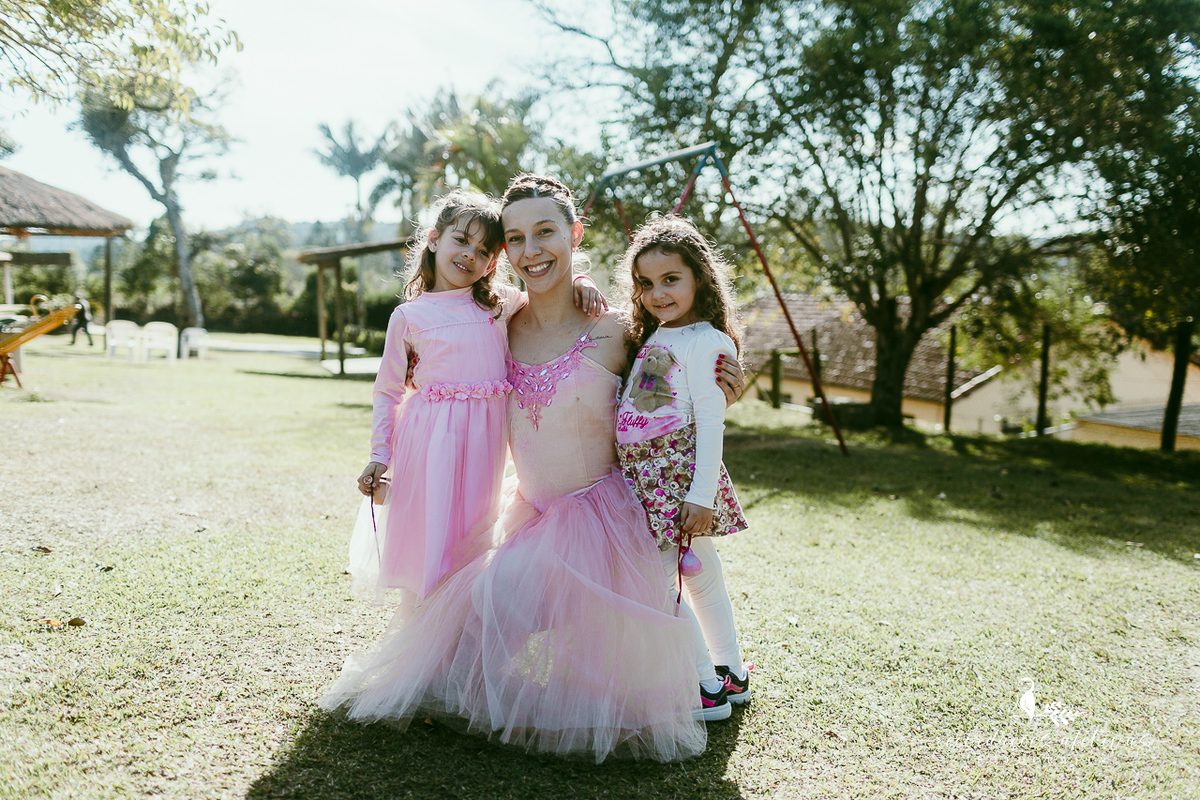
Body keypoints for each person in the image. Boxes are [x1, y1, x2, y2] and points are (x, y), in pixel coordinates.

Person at [321, 176, 743, 761]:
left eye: (545, 232)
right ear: (503, 253)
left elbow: (674, 391)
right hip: (530, 516)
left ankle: (716, 674)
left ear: (574, 234)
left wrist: (726, 389)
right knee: (466, 640)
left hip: (605, 520)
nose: (531, 250)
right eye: (515, 238)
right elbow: (422, 368)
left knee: (618, 679)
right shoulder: (497, 316)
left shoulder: (621, 329)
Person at [348, 190, 604, 605]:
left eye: (484, 250)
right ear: (434, 238)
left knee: (474, 536)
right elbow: (387, 391)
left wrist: (582, 279)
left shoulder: (497, 303)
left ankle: (464, 625)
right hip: (430, 443)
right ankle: (425, 627)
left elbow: (548, 292)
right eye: (461, 240)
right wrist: (380, 454)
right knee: (434, 538)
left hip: (484, 443)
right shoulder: (410, 316)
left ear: (492, 262)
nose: (470, 255)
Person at [616, 216, 752, 706]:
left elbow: (712, 424)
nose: (658, 293)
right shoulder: (660, 334)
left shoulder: (705, 341)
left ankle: (704, 686)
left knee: (664, 580)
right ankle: (731, 670)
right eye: (646, 284)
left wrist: (700, 497)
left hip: (675, 477)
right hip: (648, 474)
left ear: (700, 278)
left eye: (671, 280)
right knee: (700, 575)